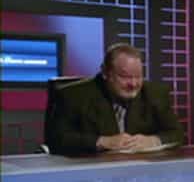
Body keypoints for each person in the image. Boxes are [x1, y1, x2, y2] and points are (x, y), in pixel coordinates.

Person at [47, 43, 185, 154]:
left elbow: (177, 133)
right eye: (125, 77)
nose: (133, 84)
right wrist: (102, 142)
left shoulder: (155, 94)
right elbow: (57, 139)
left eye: (138, 76)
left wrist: (153, 141)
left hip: (140, 171)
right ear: (105, 72)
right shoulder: (74, 95)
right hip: (91, 171)